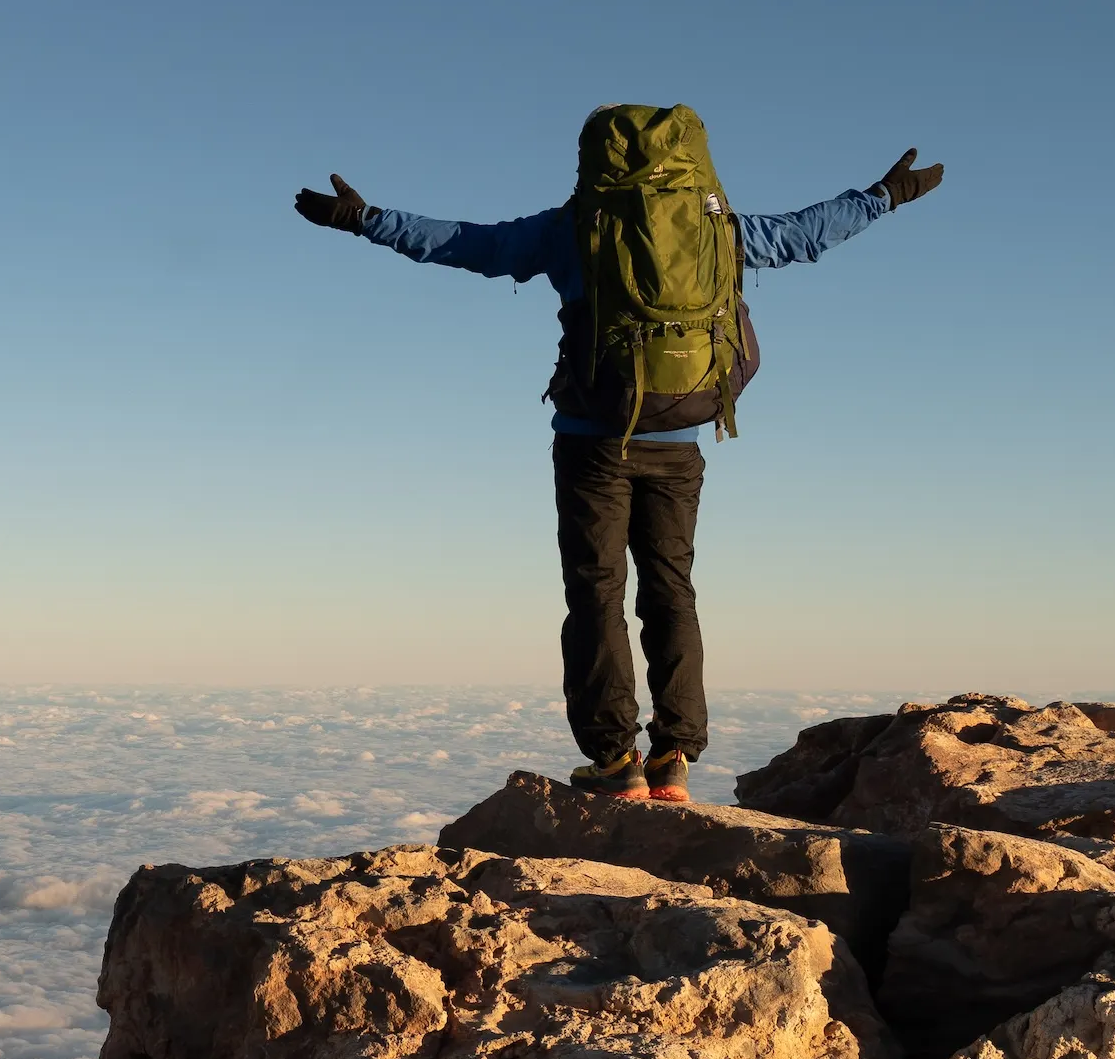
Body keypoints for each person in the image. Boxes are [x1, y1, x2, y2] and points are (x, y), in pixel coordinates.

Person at [292, 113, 942, 802]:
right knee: (671, 591)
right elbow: (806, 233)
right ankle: (674, 758)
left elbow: (468, 244)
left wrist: (365, 219)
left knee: (596, 592)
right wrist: (883, 194)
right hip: (680, 442)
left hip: (591, 441)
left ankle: (613, 760)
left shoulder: (573, 228)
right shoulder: (717, 230)